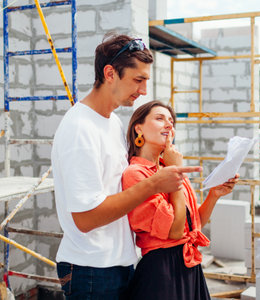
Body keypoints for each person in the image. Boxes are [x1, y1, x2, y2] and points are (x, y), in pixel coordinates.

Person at [51, 34, 201, 299]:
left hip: (120, 263)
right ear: (110, 73)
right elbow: (86, 219)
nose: (143, 91)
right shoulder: (79, 128)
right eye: (137, 80)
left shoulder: (112, 123)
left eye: (146, 81)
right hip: (91, 269)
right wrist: (154, 184)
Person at [122, 100, 239, 300]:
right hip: (161, 272)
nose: (169, 125)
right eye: (159, 119)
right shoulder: (135, 174)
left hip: (189, 267)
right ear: (138, 128)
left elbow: (193, 225)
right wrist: (173, 171)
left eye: (171, 121)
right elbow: (175, 232)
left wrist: (214, 195)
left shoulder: (168, 168)